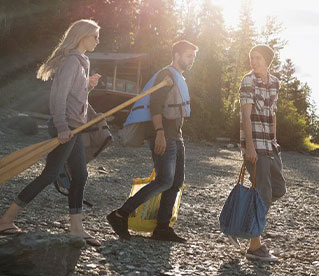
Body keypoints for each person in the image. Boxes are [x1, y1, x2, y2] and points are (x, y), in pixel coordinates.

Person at [0, 19, 103, 246]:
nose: (98, 40)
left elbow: (74, 93)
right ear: (82, 36)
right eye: (95, 35)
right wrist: (63, 127)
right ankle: (6, 219)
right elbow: (58, 98)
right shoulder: (71, 63)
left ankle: (76, 227)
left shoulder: (81, 62)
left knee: (80, 175)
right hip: (66, 126)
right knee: (50, 174)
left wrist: (88, 86)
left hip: (75, 127)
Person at [106, 40, 198, 243]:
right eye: (189, 55)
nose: (192, 60)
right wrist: (159, 133)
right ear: (176, 55)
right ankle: (120, 214)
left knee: (176, 182)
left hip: (176, 135)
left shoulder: (179, 77)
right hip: (164, 133)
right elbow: (155, 106)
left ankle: (162, 228)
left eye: (194, 56)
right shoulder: (166, 75)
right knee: (165, 180)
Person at [235, 44, 286, 262]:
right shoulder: (248, 81)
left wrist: (274, 140)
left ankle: (242, 225)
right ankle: (254, 247)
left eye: (257, 58)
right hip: (255, 144)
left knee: (278, 189)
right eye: (251, 57)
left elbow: (272, 113)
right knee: (263, 193)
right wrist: (249, 147)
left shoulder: (275, 83)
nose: (253, 61)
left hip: (270, 145)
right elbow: (246, 116)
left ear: (267, 60)